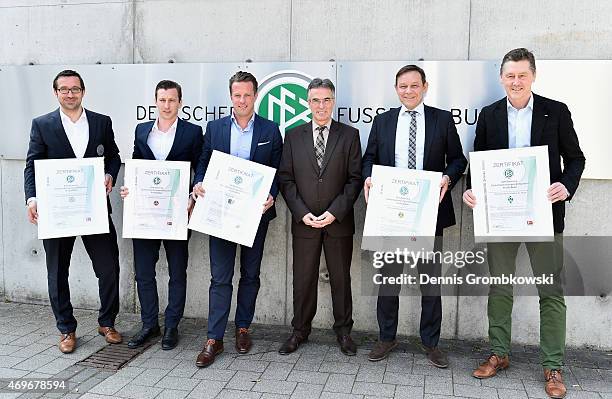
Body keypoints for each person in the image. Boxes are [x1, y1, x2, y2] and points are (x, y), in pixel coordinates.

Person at [463, 48, 585, 399]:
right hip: (500, 217)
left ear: (533, 75)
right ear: (501, 78)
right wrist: (471, 190)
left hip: (544, 214)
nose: (515, 81)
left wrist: (567, 185)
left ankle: (553, 366)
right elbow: (478, 162)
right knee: (500, 286)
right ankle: (499, 354)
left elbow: (576, 158)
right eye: (510, 75)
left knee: (550, 291)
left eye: (522, 75)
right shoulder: (489, 115)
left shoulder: (556, 111)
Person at [362, 65, 467, 367]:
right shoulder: (382, 122)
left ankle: (431, 343)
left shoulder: (442, 119)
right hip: (392, 212)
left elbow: (458, 159)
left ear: (425, 86)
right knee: (388, 279)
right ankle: (386, 337)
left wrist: (447, 178)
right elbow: (369, 158)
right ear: (396, 89)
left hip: (429, 212)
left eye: (414, 86)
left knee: (430, 281)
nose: (408, 91)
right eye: (402, 86)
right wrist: (369, 177)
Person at [24, 69, 122, 353]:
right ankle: (66, 328)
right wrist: (32, 199)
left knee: (109, 268)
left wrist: (110, 176)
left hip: (93, 209)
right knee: (57, 272)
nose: (70, 93)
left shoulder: (102, 122)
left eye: (75, 89)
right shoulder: (42, 124)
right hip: (57, 213)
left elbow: (113, 157)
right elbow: (32, 164)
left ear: (83, 91)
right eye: (64, 89)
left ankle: (107, 322)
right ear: (56, 93)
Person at [192, 71, 282, 367]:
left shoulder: (270, 130)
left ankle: (243, 328)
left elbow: (278, 170)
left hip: (255, 216)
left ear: (256, 96)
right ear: (230, 97)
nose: (242, 100)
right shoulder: (215, 128)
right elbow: (204, 160)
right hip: (219, 213)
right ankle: (213, 338)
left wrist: (272, 194)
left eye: (247, 95)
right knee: (220, 278)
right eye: (237, 95)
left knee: (251, 275)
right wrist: (199, 182)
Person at [278, 78, 362, 356]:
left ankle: (344, 333)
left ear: (333, 101)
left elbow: (354, 180)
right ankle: (299, 331)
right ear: (308, 102)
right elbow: (286, 179)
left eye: (326, 100)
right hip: (305, 224)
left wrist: (334, 212)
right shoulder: (293, 136)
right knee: (302, 280)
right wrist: (302, 214)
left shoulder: (349, 135)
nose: (321, 106)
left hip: (337, 222)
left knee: (341, 279)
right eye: (315, 100)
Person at [120, 80, 203, 350]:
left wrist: (193, 195)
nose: (167, 105)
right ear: (155, 102)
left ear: (180, 102)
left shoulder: (192, 132)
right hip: (144, 214)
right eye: (162, 100)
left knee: (177, 272)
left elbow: (200, 167)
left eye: (172, 100)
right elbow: (135, 162)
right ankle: (149, 325)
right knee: (144, 272)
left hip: (177, 214)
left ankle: (171, 326)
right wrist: (128, 189)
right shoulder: (142, 130)